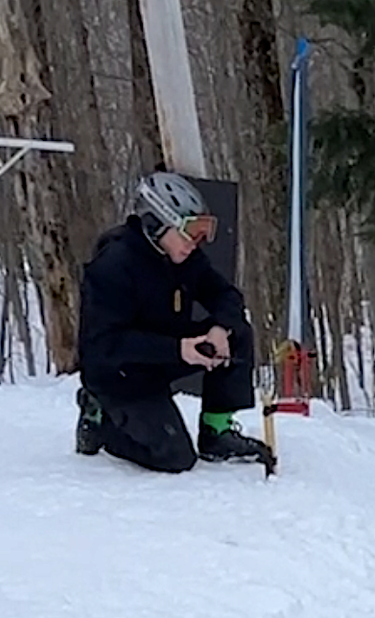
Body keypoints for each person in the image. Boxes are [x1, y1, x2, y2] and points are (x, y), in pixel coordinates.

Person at [74, 171, 269, 471]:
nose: (196, 241)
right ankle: (101, 419)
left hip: (164, 352)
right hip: (120, 374)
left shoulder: (185, 258)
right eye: (189, 231)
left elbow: (225, 294)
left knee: (236, 332)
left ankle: (216, 432)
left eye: (202, 231)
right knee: (175, 457)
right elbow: (103, 346)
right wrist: (178, 349)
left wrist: (219, 329)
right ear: (157, 224)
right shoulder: (113, 265)